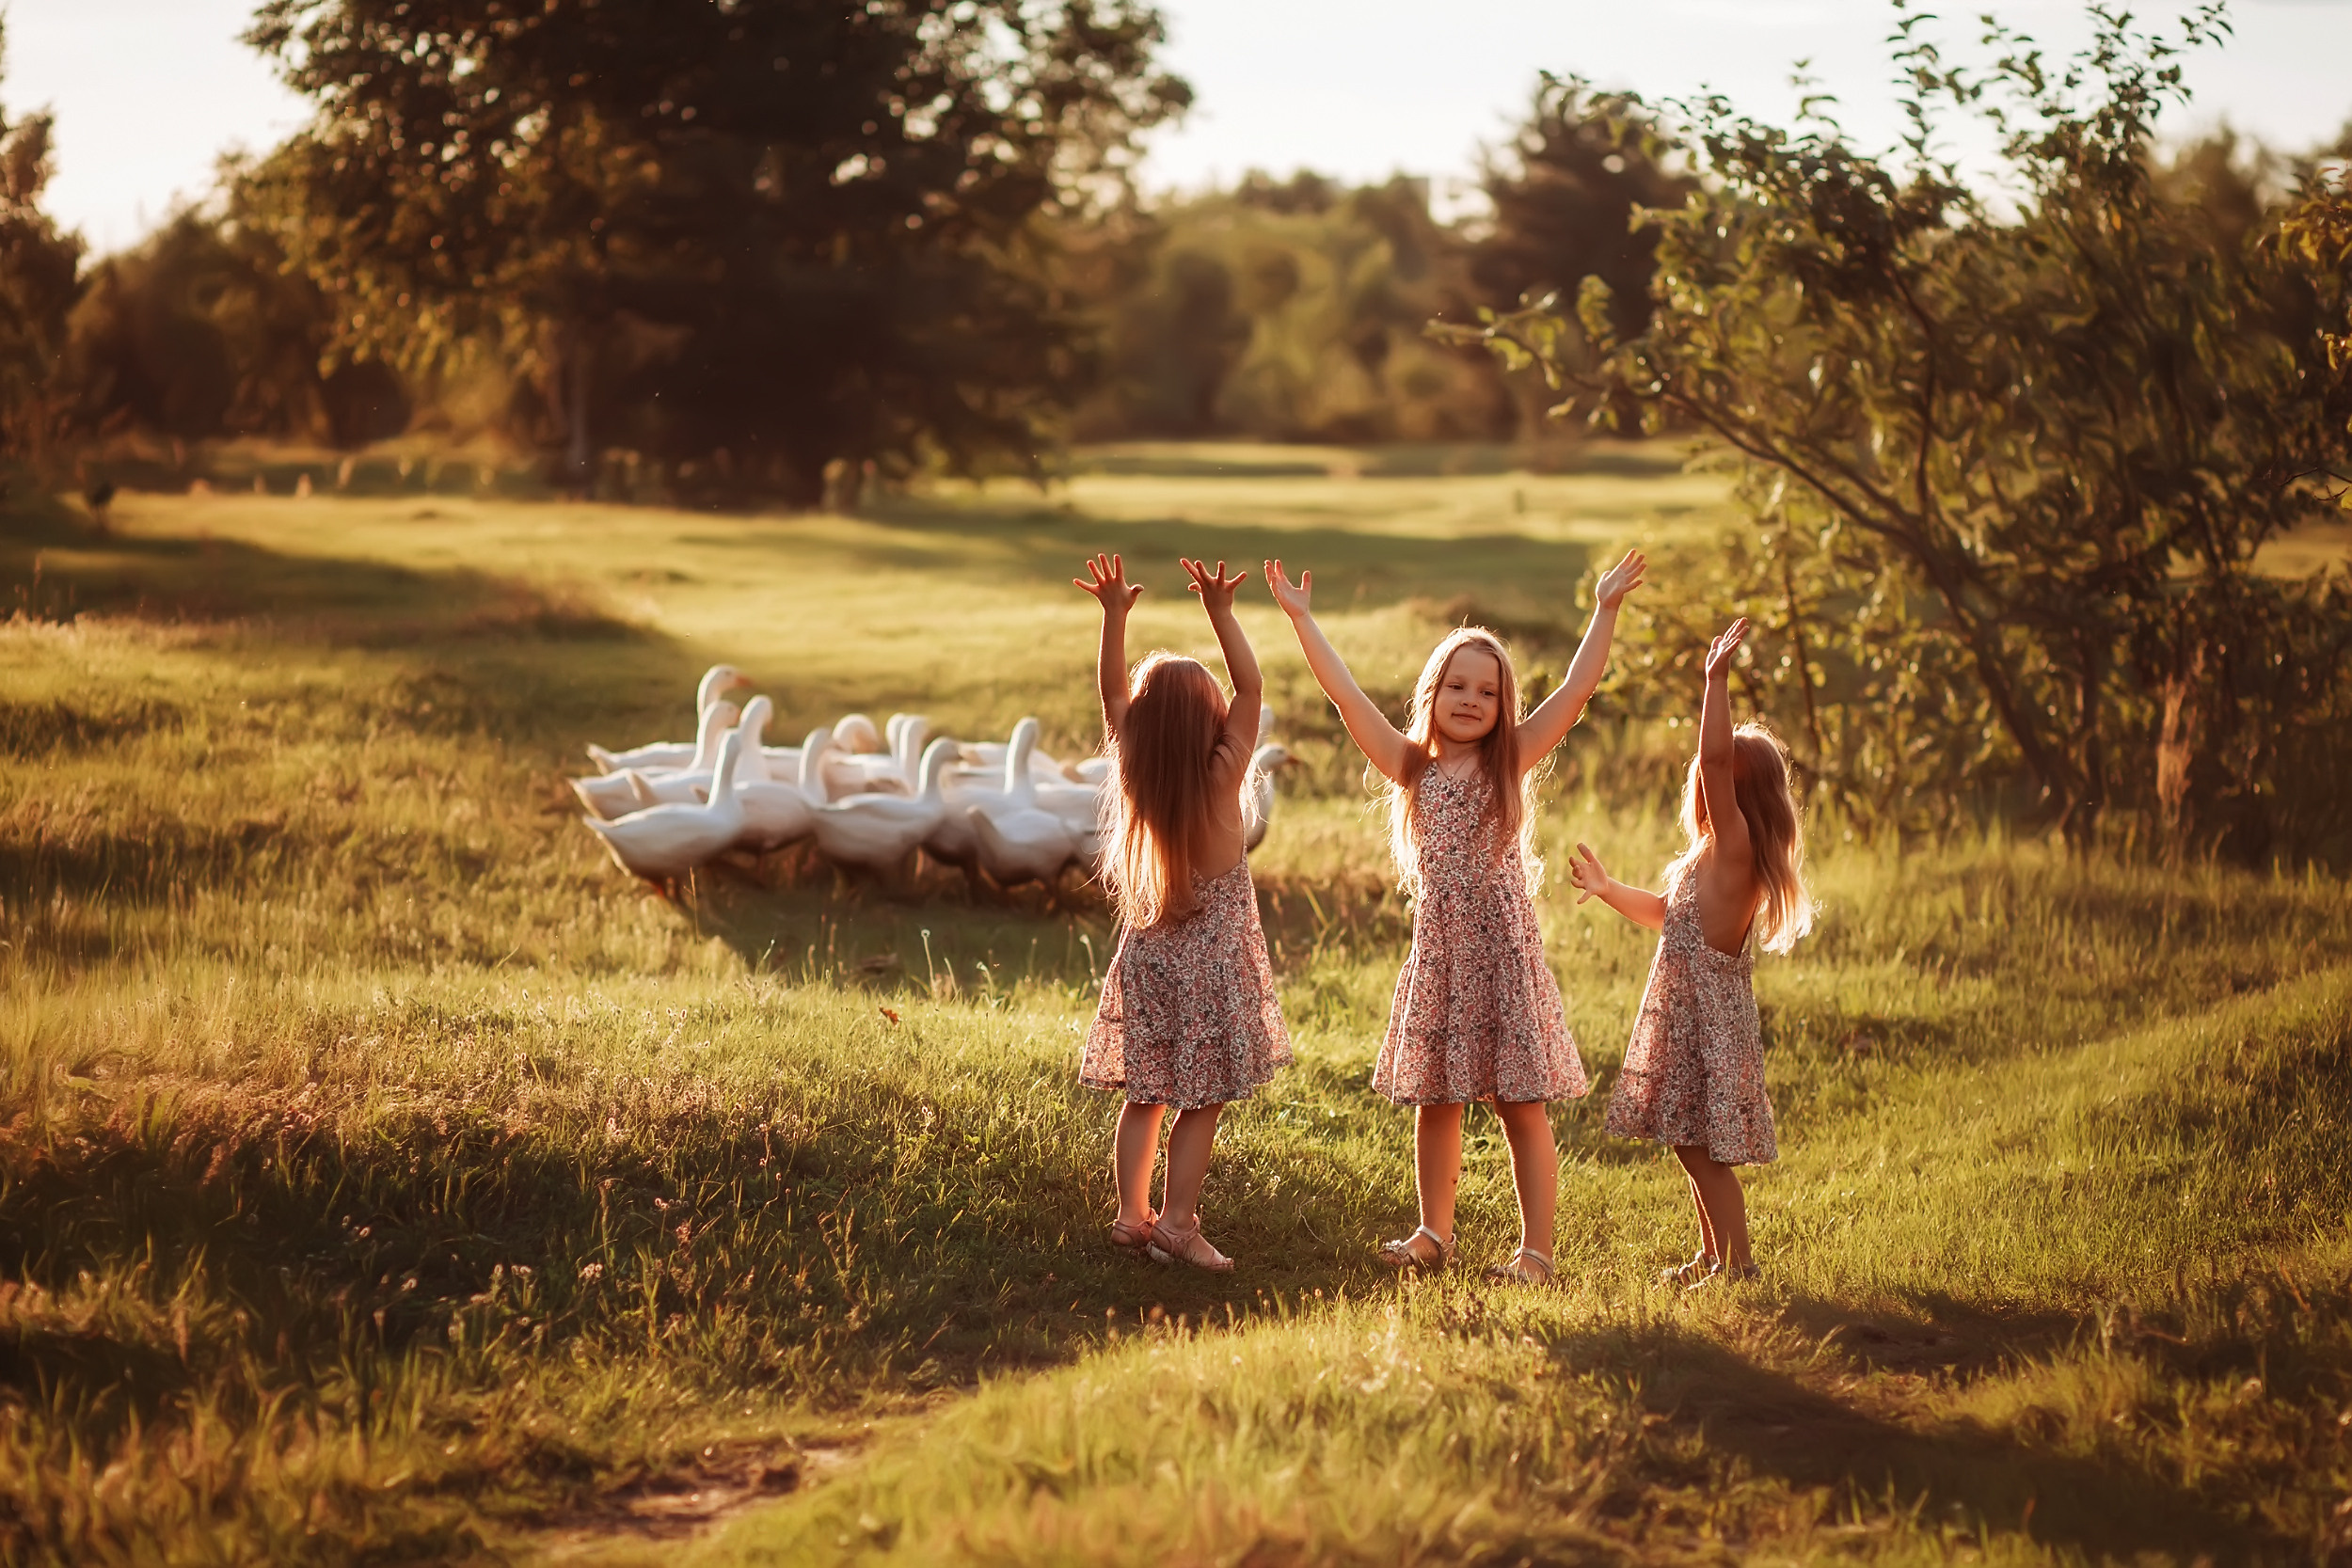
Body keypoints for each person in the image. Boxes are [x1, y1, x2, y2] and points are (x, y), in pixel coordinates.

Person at [1265, 548, 1646, 1283]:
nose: (1471, 699)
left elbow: (1574, 690)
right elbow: (1348, 700)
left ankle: (1536, 1252)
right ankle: (1431, 1232)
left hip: (1502, 953)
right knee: (1435, 1100)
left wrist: (1603, 610)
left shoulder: (1511, 762)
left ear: (1505, 708)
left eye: (1488, 691)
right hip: (1441, 953)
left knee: (1518, 1103)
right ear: (1432, 694)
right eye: (1457, 685)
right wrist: (1305, 622)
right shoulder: (1413, 768)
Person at [1568, 616, 1814, 1287]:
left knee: (1707, 1149)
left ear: (1740, 792)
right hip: (1687, 1016)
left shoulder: (1737, 851)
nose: (1705, 783)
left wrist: (1715, 680)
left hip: (1708, 1023)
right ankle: (1714, 1254)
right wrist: (1609, 886)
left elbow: (1712, 759)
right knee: (1687, 1139)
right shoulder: (1707, 857)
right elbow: (1667, 916)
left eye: (1722, 779)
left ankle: (1738, 1265)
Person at [1074, 553, 1292, 1272]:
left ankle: (1129, 1216)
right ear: (1211, 723)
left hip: (1148, 959)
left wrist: (1113, 617)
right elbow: (1253, 686)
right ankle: (1177, 1224)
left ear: (1141, 727)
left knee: (1147, 1095)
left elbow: (1113, 695)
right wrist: (1221, 613)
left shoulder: (1136, 766)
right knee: (1202, 1100)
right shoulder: (1225, 774)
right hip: (1213, 965)